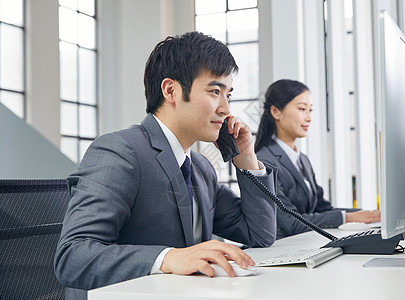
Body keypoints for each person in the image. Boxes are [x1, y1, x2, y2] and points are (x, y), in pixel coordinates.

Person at [54, 32, 277, 300]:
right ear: (171, 90)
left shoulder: (201, 168)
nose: (225, 109)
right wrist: (168, 258)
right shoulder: (120, 151)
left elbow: (260, 234)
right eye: (215, 91)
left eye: (228, 95)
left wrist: (247, 161)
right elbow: (72, 257)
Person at [255, 79, 380, 239]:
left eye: (310, 110)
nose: (308, 118)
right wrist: (348, 217)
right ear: (276, 112)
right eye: (302, 109)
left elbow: (322, 208)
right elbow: (289, 221)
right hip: (281, 249)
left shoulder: (303, 160)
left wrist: (370, 215)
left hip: (306, 243)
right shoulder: (264, 161)